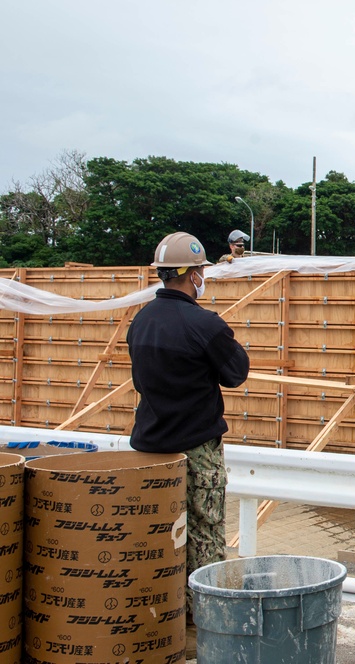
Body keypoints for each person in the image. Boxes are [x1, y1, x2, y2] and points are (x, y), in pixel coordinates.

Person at [127, 231, 250, 620]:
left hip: (148, 449)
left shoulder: (140, 322)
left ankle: (163, 622)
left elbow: (139, 382)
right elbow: (235, 373)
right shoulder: (204, 324)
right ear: (192, 274)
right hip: (196, 450)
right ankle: (208, 626)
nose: (202, 277)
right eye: (200, 271)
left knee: (159, 537)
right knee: (205, 536)